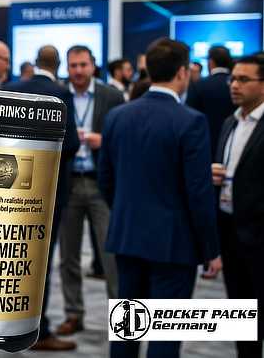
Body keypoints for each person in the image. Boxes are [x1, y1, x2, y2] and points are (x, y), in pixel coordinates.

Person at [101, 38, 221, 358]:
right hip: (174, 245)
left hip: (127, 238)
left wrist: (128, 213)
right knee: (165, 336)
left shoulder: (117, 117)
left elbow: (106, 181)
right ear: (182, 72)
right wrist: (211, 249)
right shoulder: (191, 121)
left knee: (126, 332)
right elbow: (198, 192)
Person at [4, 45, 80, 351]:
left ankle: (4, 321)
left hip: (9, 187)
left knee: (9, 255)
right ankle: (38, 329)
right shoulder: (61, 94)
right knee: (41, 260)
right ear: (58, 64)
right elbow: (71, 143)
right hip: (49, 192)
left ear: (36, 62)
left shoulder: (11, 89)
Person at [56, 45, 123, 336]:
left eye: (83, 65)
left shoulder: (112, 96)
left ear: (93, 66)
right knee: (68, 256)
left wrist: (104, 141)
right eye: (73, 66)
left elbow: (125, 139)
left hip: (100, 182)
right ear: (67, 68)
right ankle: (74, 313)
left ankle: (119, 316)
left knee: (111, 255)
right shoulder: (59, 95)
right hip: (69, 183)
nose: (78, 71)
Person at [212, 52, 264, 358]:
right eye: (233, 78)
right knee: (241, 315)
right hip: (232, 234)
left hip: (260, 235)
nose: (234, 85)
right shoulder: (230, 122)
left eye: (244, 79)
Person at [188, 45, 235, 160]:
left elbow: (190, 117)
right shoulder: (237, 86)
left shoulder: (199, 85)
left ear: (211, 62)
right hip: (235, 144)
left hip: (205, 146)